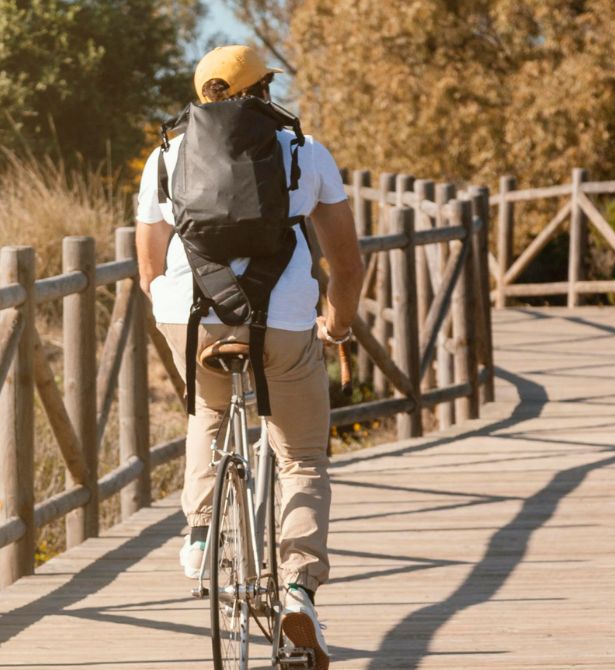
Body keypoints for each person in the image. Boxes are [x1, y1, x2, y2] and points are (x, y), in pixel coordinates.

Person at [134, 45, 363, 666]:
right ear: (264, 90)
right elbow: (345, 260)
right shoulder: (306, 152)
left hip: (189, 317)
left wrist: (176, 310)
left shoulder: (164, 157)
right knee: (304, 457)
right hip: (284, 320)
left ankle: (201, 530)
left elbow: (148, 266)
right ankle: (297, 589)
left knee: (206, 411)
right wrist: (336, 326)